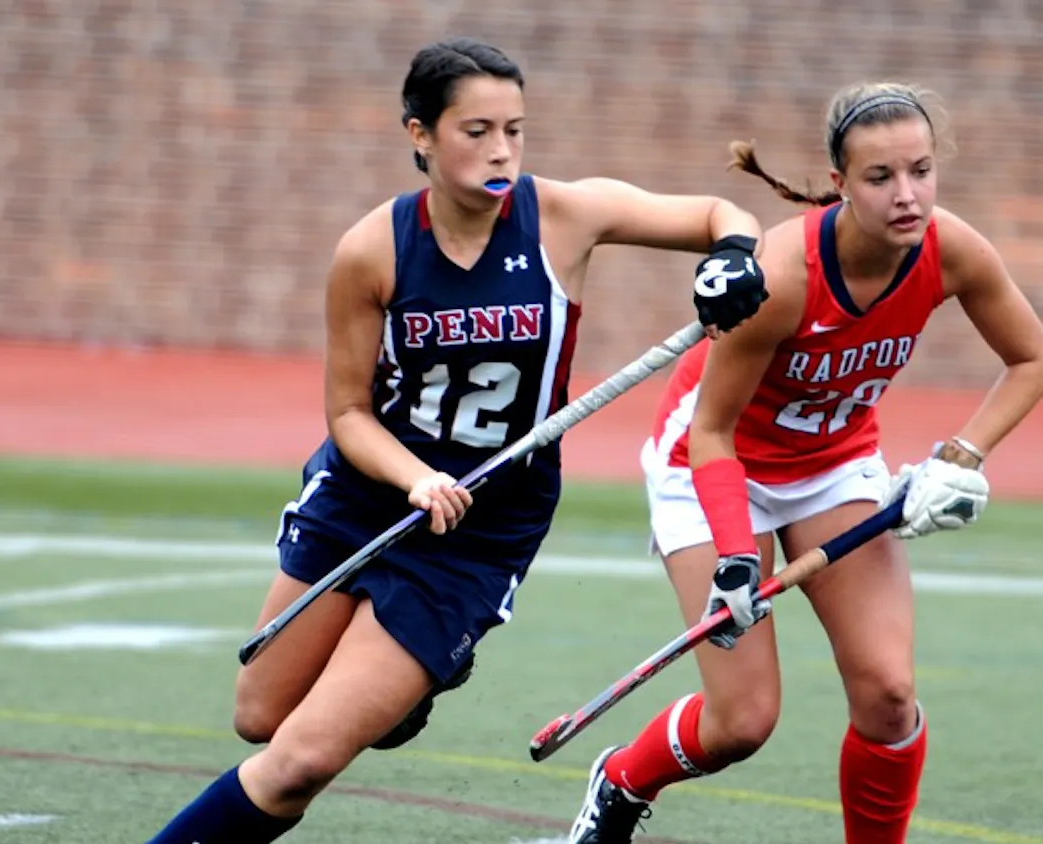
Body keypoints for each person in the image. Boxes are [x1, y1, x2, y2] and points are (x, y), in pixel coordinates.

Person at [142, 36, 769, 844]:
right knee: (260, 717)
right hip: (370, 496)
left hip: (480, 528)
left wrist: (734, 256)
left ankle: (416, 659)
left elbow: (722, 214)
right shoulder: (373, 249)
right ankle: (416, 685)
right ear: (420, 135)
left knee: (297, 763)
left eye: (515, 129)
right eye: (476, 131)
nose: (501, 149)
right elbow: (348, 415)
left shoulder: (565, 218)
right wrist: (414, 479)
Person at [565, 81, 1043, 844]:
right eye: (880, 178)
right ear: (839, 185)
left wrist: (962, 454)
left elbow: (1032, 359)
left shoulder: (950, 249)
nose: (908, 195)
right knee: (742, 723)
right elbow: (712, 434)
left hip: (834, 463)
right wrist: (736, 558)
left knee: (889, 694)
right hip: (712, 464)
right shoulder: (785, 275)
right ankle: (623, 782)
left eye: (921, 171)